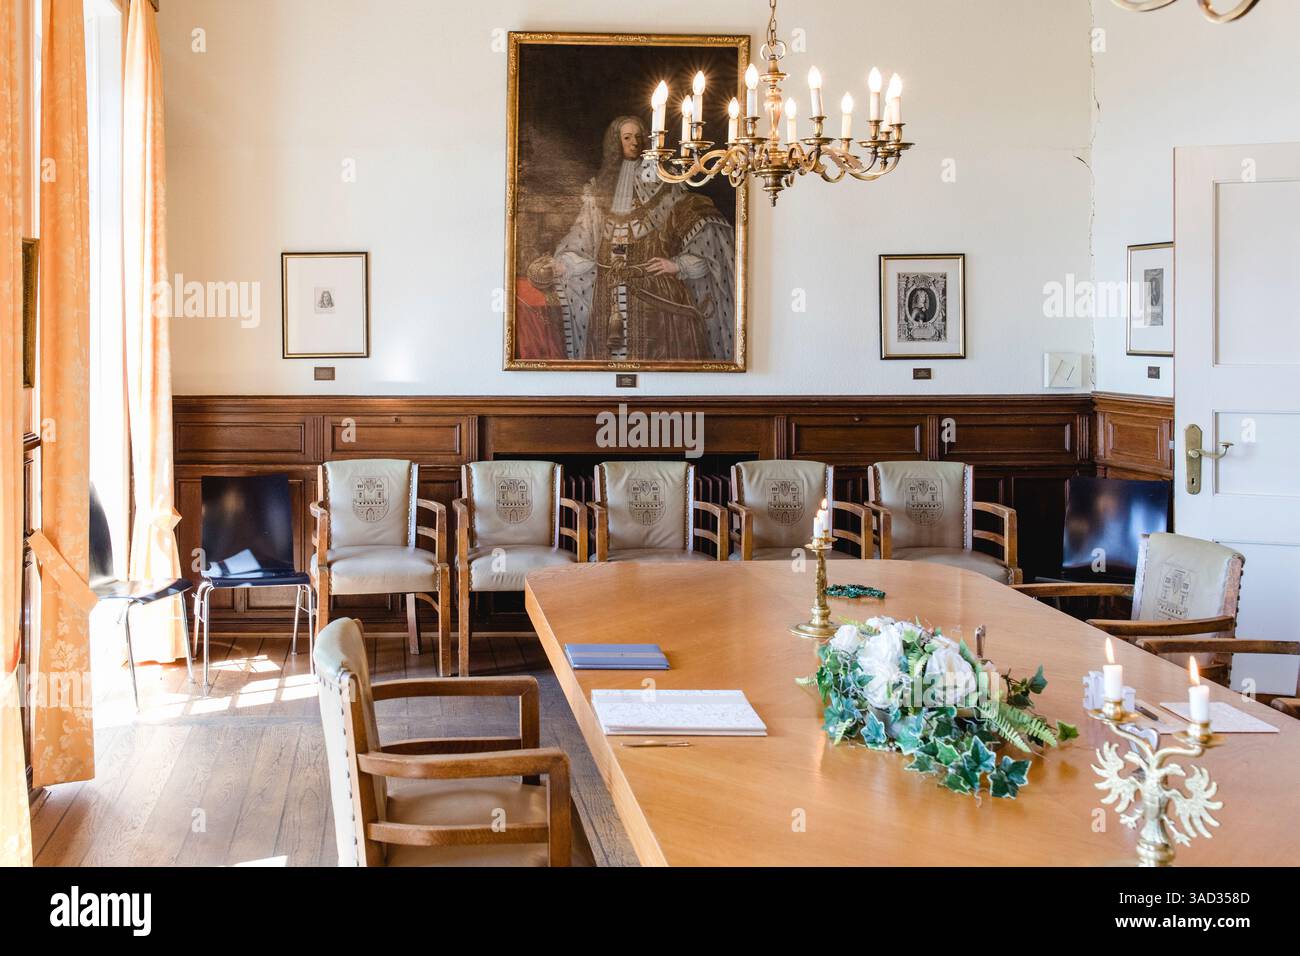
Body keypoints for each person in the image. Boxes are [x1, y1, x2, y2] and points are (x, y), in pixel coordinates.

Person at [527, 115, 737, 362]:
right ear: (616, 143)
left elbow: (696, 227)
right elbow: (582, 236)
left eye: (639, 137)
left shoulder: (665, 185)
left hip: (657, 293)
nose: (634, 142)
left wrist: (678, 264)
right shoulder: (598, 190)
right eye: (627, 137)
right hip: (608, 293)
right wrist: (564, 263)